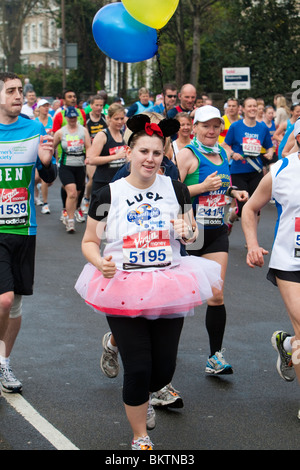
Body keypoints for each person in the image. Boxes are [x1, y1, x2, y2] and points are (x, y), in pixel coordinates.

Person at [75, 113, 222, 450]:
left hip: (168, 282)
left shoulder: (177, 189)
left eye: (157, 153)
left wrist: (189, 230)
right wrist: (100, 262)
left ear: (164, 156)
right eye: (143, 151)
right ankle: (141, 435)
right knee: (139, 369)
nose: (150, 159)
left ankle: (114, 344)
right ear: (129, 152)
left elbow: (194, 240)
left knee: (162, 373)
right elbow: (88, 242)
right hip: (123, 285)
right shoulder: (108, 194)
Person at [176, 105, 248, 374]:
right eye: (206, 125)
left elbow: (221, 183)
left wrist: (234, 191)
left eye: (216, 126)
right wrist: (201, 188)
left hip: (216, 231)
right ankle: (132, 345)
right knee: (178, 300)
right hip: (191, 234)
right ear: (194, 127)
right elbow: (173, 191)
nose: (211, 131)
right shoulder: (186, 155)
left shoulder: (222, 152)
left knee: (216, 296)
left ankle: (214, 357)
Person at [0, 72, 56, 394]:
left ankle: (4, 363)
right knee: (4, 299)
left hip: (24, 226)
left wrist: (47, 164)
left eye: (21, 90)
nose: (19, 95)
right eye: (11, 91)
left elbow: (47, 175)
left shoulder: (35, 129)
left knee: (16, 303)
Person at [241, 118, 300, 420]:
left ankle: (287, 345)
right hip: (290, 261)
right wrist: (252, 244)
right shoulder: (280, 171)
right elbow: (250, 208)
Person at [222, 97, 274, 230]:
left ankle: (251, 240)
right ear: (243, 109)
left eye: (254, 106)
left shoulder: (262, 128)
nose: (252, 109)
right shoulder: (235, 126)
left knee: (257, 207)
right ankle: (232, 216)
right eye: (249, 106)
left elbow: (269, 146)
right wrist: (233, 154)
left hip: (256, 171)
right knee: (242, 207)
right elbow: (225, 144)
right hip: (238, 171)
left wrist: (270, 153)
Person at [53, 106, 91, 233]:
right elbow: (52, 147)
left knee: (78, 192)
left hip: (80, 165)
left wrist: (89, 159)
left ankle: (69, 210)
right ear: (66, 118)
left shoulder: (83, 131)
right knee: (72, 193)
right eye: (70, 117)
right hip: (66, 165)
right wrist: (51, 162)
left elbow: (88, 147)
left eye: (74, 117)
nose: (72, 119)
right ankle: (70, 221)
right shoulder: (61, 132)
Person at [87, 103, 127, 196]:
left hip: (120, 183)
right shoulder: (102, 135)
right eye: (116, 119)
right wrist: (115, 157)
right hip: (103, 183)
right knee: (102, 210)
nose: (120, 122)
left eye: (122, 118)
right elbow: (92, 159)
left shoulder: (123, 134)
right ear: (108, 118)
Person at [219, 98, 241, 233]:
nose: (232, 108)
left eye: (234, 106)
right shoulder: (221, 120)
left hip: (239, 159)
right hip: (224, 157)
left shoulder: (241, 121)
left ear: (239, 108)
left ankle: (232, 212)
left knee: (236, 191)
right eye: (229, 106)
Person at [83, 95, 108, 214]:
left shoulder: (104, 118)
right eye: (96, 105)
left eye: (101, 105)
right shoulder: (87, 119)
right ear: (91, 106)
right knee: (92, 179)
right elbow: (85, 137)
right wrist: (88, 155)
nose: (99, 108)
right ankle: (87, 198)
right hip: (91, 153)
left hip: (103, 153)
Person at [35, 99, 54, 215]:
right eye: (43, 106)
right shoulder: (35, 122)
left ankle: (41, 190)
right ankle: (45, 204)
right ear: (39, 108)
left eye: (47, 106)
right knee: (39, 179)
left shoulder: (52, 120)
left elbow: (56, 136)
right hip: (38, 153)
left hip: (50, 152)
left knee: (49, 180)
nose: (46, 108)